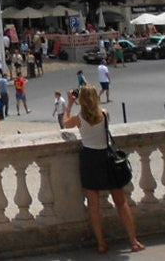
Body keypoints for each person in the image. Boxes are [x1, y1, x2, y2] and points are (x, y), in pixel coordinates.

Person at [61, 85, 143, 254]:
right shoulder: (105, 114)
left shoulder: (79, 118)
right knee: (121, 202)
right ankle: (133, 241)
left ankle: (101, 243)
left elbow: (65, 123)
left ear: (81, 99)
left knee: (93, 205)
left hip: (90, 159)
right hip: (107, 157)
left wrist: (70, 103)